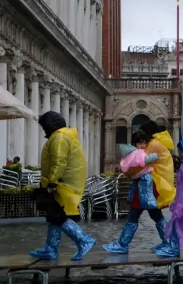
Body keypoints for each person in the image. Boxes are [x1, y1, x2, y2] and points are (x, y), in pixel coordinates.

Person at [28, 111, 95, 260]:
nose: (44, 130)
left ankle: (84, 240)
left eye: (44, 127)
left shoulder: (59, 138)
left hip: (60, 184)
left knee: (58, 216)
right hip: (63, 183)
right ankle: (50, 248)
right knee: (53, 215)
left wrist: (51, 182)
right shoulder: (63, 136)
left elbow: (59, 162)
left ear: (50, 125)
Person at [103, 132, 166, 254]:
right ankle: (169, 242)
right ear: (134, 144)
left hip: (144, 187)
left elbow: (144, 161)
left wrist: (153, 157)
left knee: (142, 215)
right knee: (153, 215)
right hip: (141, 187)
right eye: (139, 143)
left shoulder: (140, 154)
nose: (142, 146)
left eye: (144, 143)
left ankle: (123, 244)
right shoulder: (137, 154)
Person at [141, 120, 177, 250]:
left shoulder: (153, 144)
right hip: (153, 182)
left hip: (155, 182)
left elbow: (141, 160)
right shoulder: (158, 142)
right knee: (153, 213)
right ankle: (168, 241)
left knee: (150, 213)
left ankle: (170, 242)